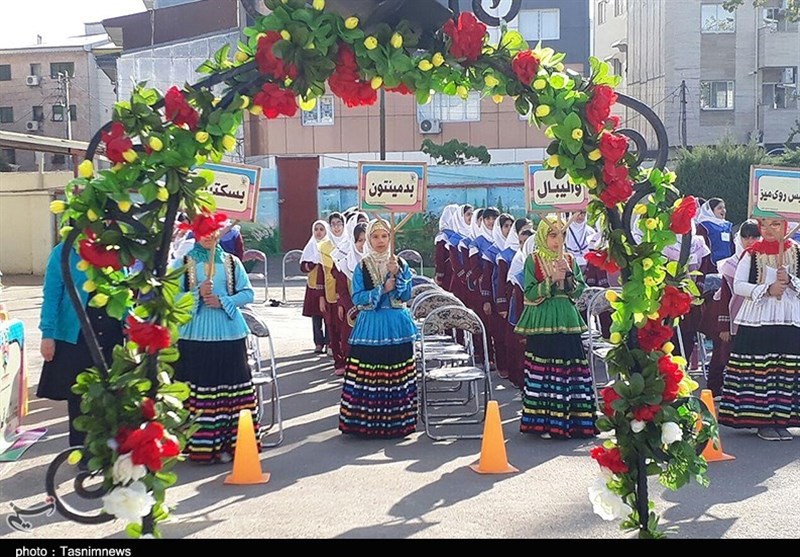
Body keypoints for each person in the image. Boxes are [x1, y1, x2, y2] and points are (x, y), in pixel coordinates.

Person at [174, 213, 258, 463]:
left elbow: (248, 293)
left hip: (230, 334)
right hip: (195, 336)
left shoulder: (232, 262)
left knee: (233, 389)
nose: (209, 236)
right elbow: (172, 299)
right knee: (200, 390)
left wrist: (224, 301)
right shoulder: (184, 263)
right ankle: (200, 447)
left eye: (213, 231)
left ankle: (235, 445)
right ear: (196, 234)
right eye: (204, 231)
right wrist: (197, 294)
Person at [514, 216, 597, 439]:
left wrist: (567, 276)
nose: (557, 240)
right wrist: (550, 279)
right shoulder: (532, 260)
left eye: (562, 235)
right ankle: (544, 423)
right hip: (543, 320)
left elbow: (579, 291)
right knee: (545, 371)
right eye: (552, 235)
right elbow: (529, 292)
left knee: (570, 369)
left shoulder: (569, 258)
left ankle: (574, 422)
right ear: (542, 235)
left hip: (567, 320)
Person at [718, 219, 800, 441]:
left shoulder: (796, 251)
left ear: (786, 226)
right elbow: (739, 285)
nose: (769, 230)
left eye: (775, 224)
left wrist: (791, 281)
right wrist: (767, 289)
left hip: (789, 318)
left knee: (785, 368)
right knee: (761, 368)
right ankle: (762, 422)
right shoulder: (751, 254)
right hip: (759, 318)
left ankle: (782, 420)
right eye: (764, 225)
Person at [38, 241, 124, 450]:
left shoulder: (114, 248)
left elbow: (125, 290)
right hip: (78, 334)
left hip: (111, 331)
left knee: (110, 394)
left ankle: (105, 450)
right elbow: (51, 295)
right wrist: (47, 334)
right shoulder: (64, 252)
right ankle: (81, 449)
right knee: (80, 397)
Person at [339, 218, 418, 438]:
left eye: (384, 236)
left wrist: (399, 276)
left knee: (396, 373)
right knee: (370, 373)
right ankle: (366, 424)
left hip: (397, 325)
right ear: (369, 240)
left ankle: (397, 423)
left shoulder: (401, 263)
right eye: (375, 236)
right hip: (371, 326)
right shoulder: (362, 265)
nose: (380, 241)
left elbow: (406, 295)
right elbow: (358, 298)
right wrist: (382, 289)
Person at [700, 221, 760, 397]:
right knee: (720, 355)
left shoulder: (764, 261)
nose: (750, 241)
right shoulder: (731, 265)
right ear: (739, 238)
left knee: (747, 357)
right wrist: (724, 326)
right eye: (745, 237)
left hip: (753, 318)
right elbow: (724, 297)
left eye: (754, 236)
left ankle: (741, 393)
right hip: (728, 316)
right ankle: (713, 389)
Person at [301, 220, 330, 354]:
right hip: (313, 286)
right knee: (316, 317)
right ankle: (318, 343)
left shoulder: (330, 246)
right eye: (316, 229)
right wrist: (312, 263)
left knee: (329, 316)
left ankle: (329, 342)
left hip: (328, 286)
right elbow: (302, 266)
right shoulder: (310, 246)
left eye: (321, 229)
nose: (319, 232)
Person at [696, 198, 734, 265]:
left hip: (726, 265)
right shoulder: (704, 226)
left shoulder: (727, 225)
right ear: (710, 211)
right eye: (719, 208)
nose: (723, 210)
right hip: (710, 265)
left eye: (724, 208)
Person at [434, 205, 459, 290]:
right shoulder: (461, 234)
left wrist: (439, 276)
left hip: (447, 272)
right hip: (459, 271)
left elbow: (439, 258)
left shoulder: (442, 236)